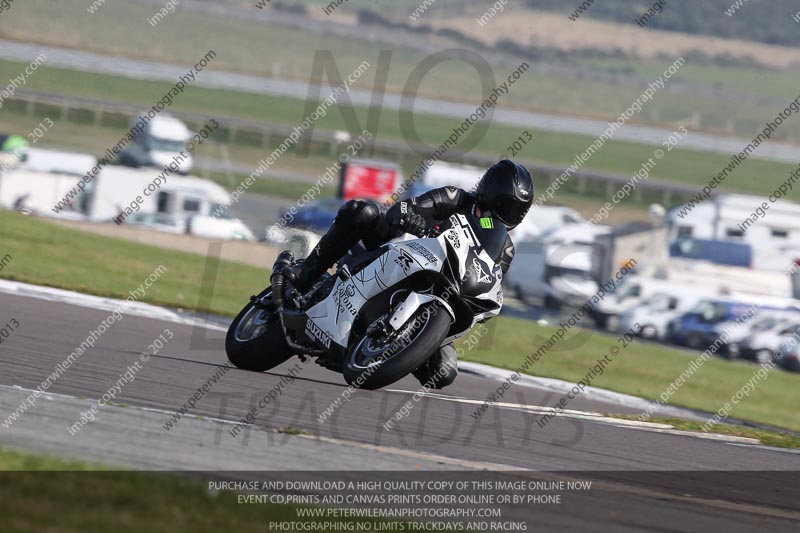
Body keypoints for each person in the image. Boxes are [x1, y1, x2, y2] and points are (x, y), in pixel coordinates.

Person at [290, 159, 534, 388]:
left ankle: (398, 347)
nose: (507, 214)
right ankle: (307, 273)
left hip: (446, 290)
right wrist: (410, 217)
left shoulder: (506, 249)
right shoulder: (454, 198)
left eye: (515, 211)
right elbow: (406, 207)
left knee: (443, 372)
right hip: (398, 251)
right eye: (505, 205)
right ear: (489, 192)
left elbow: (489, 280)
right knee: (363, 211)